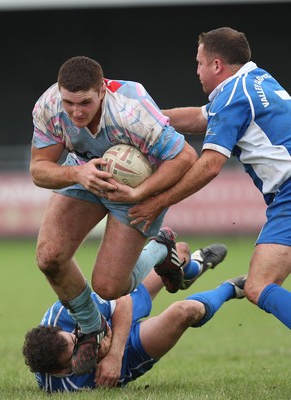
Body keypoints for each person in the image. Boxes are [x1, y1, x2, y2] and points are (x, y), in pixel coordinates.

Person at [112, 27, 291, 330]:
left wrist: (158, 202)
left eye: (199, 63)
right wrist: (141, 119)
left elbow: (209, 165)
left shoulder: (234, 96)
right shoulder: (255, 80)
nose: (196, 70)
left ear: (217, 65)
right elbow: (200, 117)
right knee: (263, 283)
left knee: (259, 285)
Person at [30, 56, 198, 374]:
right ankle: (92, 330)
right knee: (49, 258)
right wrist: (78, 176)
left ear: (102, 92)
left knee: (109, 288)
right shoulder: (50, 106)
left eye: (85, 103)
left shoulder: (131, 112)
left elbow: (186, 157)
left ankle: (161, 248)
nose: (76, 111)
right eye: (69, 102)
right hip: (85, 171)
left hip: (140, 187)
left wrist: (138, 193)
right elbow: (39, 170)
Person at [23, 232, 245, 392]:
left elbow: (123, 302)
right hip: (129, 353)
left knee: (180, 251)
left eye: (75, 339)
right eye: (75, 356)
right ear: (61, 370)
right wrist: (115, 358)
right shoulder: (67, 386)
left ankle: (191, 269)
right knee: (186, 311)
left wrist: (113, 354)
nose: (84, 346)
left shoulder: (66, 312)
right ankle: (231, 289)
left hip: (117, 313)